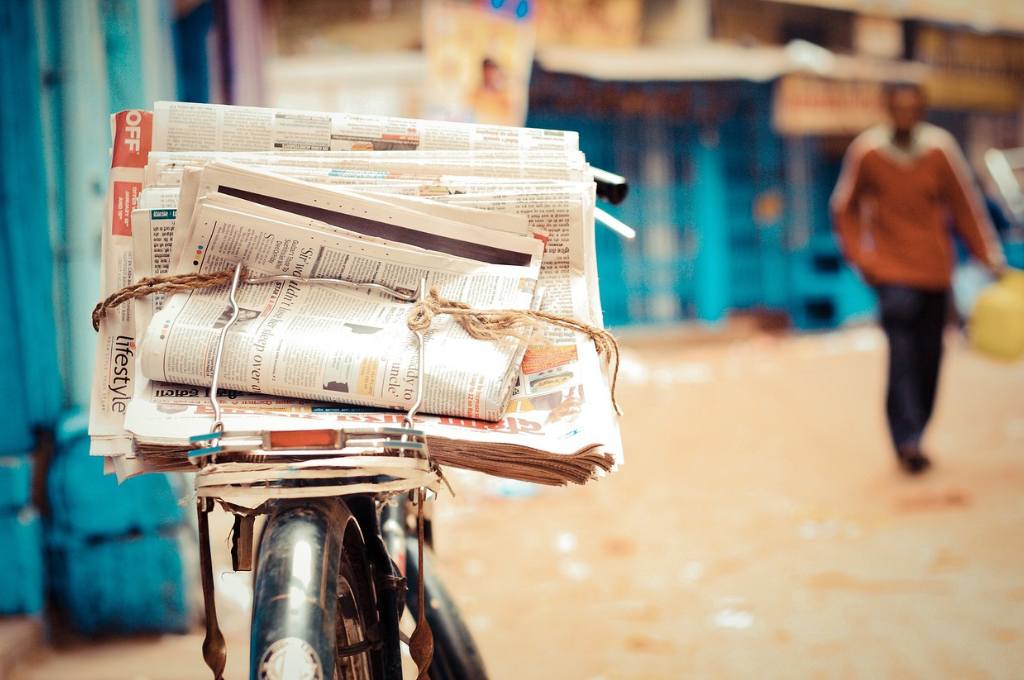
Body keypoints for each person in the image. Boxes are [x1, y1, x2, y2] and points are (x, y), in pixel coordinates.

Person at [830, 82, 1006, 475]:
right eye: (899, 109)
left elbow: (966, 208)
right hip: (892, 275)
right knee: (902, 357)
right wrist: (864, 260)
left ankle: (918, 430)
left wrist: (988, 257)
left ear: (922, 111)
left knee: (930, 359)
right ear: (888, 110)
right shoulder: (868, 152)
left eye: (913, 109)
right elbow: (844, 209)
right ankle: (906, 440)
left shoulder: (940, 150)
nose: (906, 116)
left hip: (934, 272)